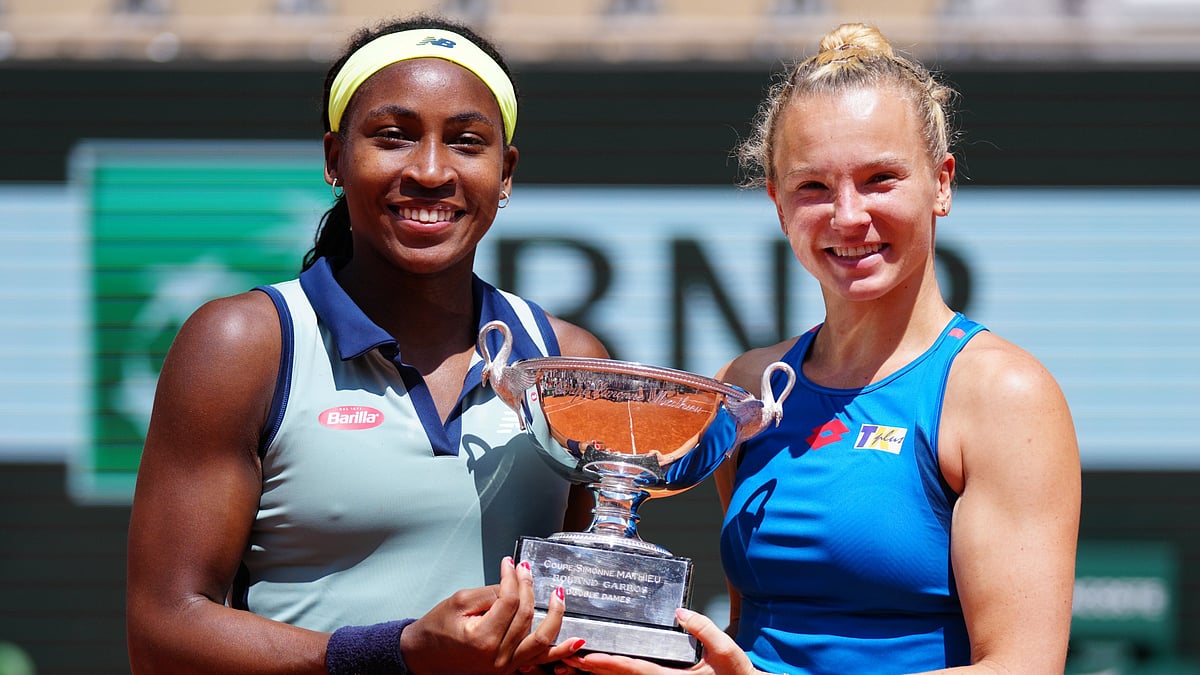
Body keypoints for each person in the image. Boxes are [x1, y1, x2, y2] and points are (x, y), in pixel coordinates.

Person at [564, 22, 1081, 675]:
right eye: (812, 187)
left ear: (941, 183)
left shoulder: (1001, 393)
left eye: (880, 179)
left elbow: (1023, 667)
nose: (848, 216)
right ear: (778, 204)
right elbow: (756, 635)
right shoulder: (751, 382)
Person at [125, 14, 608, 675]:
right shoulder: (244, 344)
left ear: (506, 172)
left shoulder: (569, 360)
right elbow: (161, 631)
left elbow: (587, 617)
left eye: (467, 142)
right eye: (393, 136)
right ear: (334, 158)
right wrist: (395, 654)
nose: (431, 170)